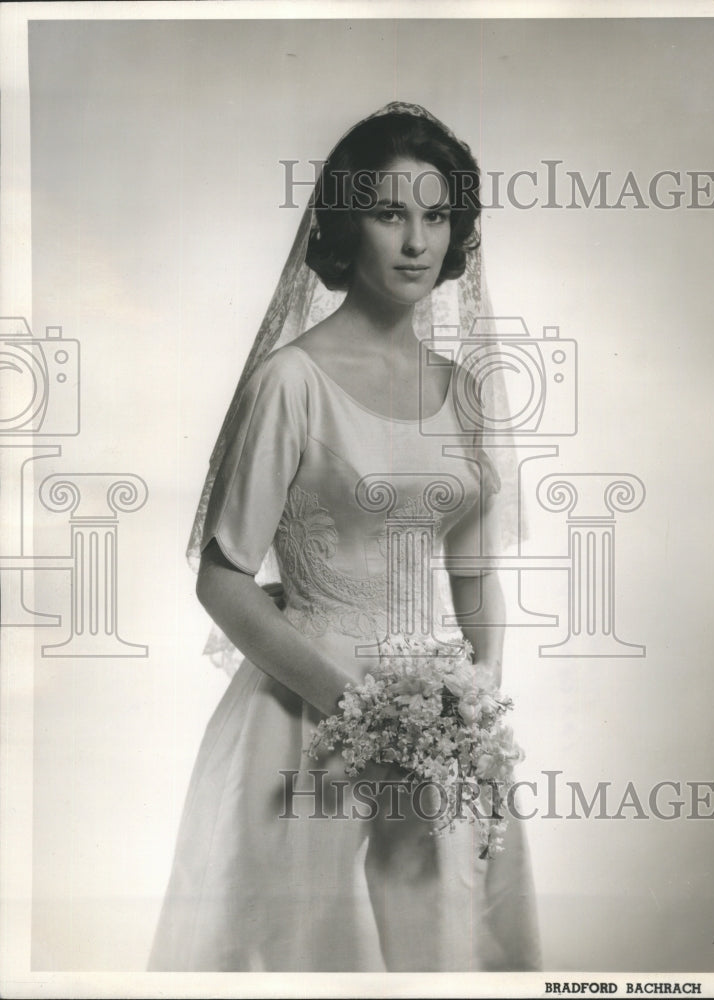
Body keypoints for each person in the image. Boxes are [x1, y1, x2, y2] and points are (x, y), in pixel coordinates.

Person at [148, 103, 541, 973]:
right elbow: (223, 579)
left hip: (437, 724)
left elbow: (473, 581)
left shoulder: (466, 392)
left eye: (434, 216)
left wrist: (474, 715)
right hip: (303, 716)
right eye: (388, 213)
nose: (414, 242)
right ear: (343, 226)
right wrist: (355, 706)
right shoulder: (292, 383)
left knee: (434, 949)